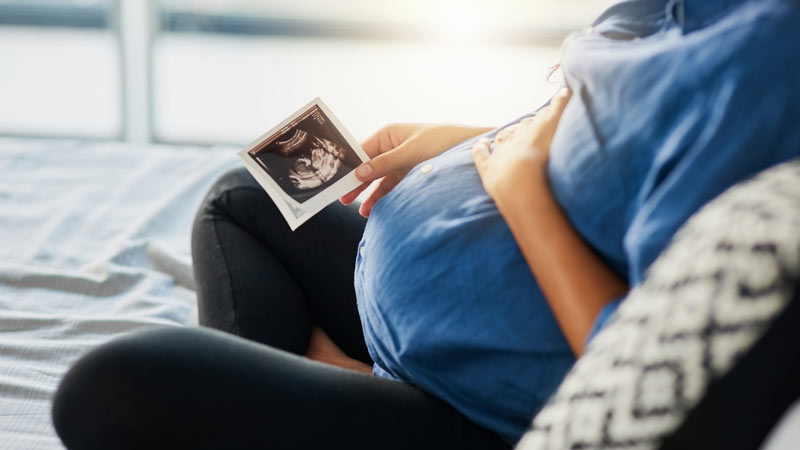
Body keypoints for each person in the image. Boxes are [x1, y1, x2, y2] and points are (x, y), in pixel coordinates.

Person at [52, 0, 800, 449]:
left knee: (114, 389)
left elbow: (643, 360)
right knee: (243, 199)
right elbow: (615, 135)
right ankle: (339, 385)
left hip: (486, 406)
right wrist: (470, 141)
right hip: (431, 323)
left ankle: (345, 394)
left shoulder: (766, 64)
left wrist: (522, 191)